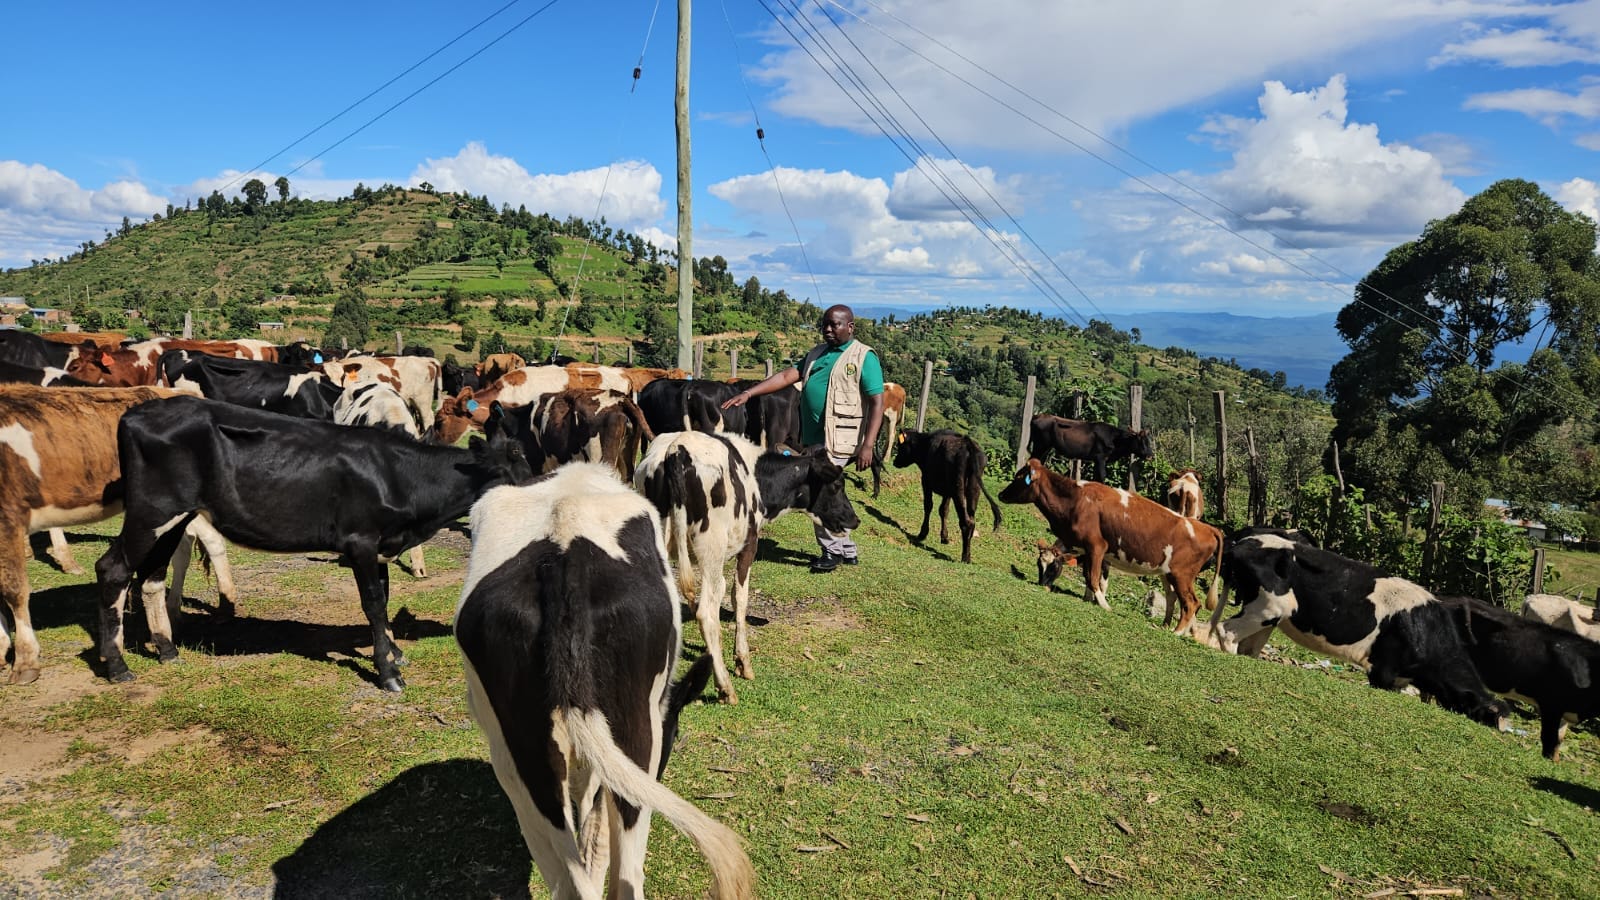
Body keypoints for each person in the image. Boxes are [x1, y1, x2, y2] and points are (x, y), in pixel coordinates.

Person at [722, 304, 885, 572]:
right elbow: (787, 376)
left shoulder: (863, 357)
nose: (829, 329)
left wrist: (868, 445)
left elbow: (877, 402)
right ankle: (846, 549)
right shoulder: (817, 354)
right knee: (831, 490)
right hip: (815, 438)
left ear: (850, 327)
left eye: (835, 324)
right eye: (825, 325)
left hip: (840, 438)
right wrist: (750, 393)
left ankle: (832, 551)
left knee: (818, 491)